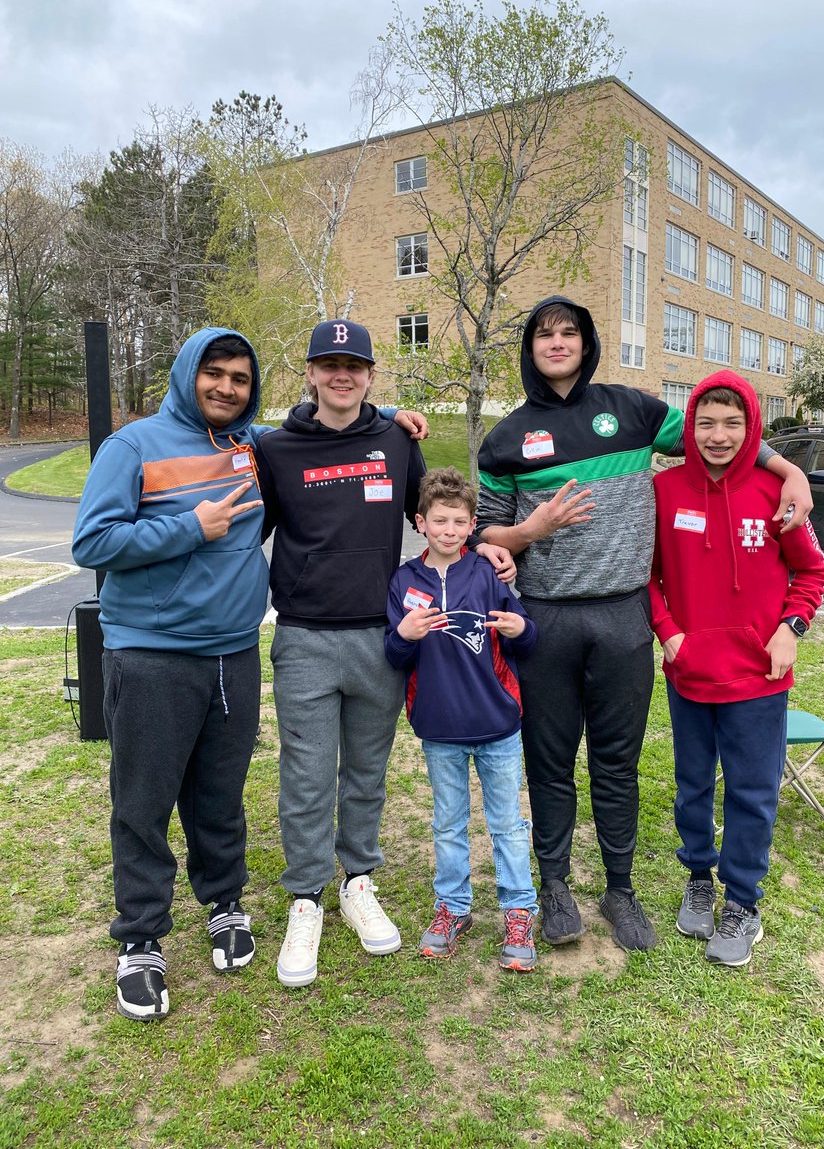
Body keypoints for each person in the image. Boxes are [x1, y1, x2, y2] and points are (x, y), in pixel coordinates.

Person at [476, 296, 814, 953]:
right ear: (530, 348)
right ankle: (554, 889)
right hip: (544, 620)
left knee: (616, 763)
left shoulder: (632, 412)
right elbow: (485, 532)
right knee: (548, 764)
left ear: (586, 341)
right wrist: (528, 530)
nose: (557, 343)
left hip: (624, 618)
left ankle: (620, 890)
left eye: (569, 332)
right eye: (544, 334)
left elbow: (721, 437)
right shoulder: (506, 438)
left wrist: (789, 467)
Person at [255, 319, 513, 988]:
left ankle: (358, 882)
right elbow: (244, 534)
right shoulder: (277, 449)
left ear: (370, 376)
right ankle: (308, 897)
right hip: (305, 638)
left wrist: (482, 542)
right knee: (308, 776)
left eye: (355, 366)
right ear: (310, 372)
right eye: (329, 364)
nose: (342, 376)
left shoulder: (396, 441)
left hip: (383, 637)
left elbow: (435, 515)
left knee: (366, 771)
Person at [72, 329, 268, 1021]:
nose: (226, 388)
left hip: (234, 654)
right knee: (144, 804)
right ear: (189, 375)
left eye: (240, 379)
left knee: (220, 793)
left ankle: (224, 903)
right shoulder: (134, 446)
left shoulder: (248, 445)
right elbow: (91, 541)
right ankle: (141, 940)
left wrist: (390, 419)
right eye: (214, 374)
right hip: (152, 656)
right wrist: (192, 527)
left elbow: (318, 431)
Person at [648, 371, 824, 966]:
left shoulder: (775, 492)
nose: (718, 436)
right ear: (689, 427)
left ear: (751, 427)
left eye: (732, 423)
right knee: (692, 787)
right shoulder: (666, 490)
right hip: (691, 672)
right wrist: (669, 633)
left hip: (759, 677)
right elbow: (645, 578)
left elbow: (814, 572)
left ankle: (743, 903)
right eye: (706, 423)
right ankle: (699, 878)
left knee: (752, 795)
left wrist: (791, 629)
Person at [385, 467, 539, 971]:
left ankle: (518, 910)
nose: (448, 531)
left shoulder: (488, 573)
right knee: (448, 824)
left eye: (458, 522)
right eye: (439, 521)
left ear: (471, 525)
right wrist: (404, 635)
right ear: (421, 522)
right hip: (439, 729)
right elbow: (393, 655)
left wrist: (521, 628)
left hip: (498, 725)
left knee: (508, 825)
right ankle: (452, 908)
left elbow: (526, 637)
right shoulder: (405, 580)